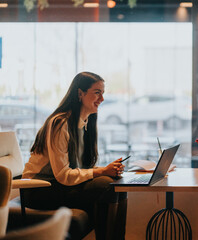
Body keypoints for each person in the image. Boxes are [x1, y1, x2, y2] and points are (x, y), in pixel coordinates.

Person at [22, 72, 127, 240]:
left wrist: (106, 170)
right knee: (107, 185)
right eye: (97, 92)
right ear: (80, 93)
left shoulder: (84, 123)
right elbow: (63, 175)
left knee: (118, 185)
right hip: (37, 190)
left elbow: (78, 168)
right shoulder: (60, 123)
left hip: (57, 185)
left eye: (103, 93)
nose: (102, 99)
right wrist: (101, 172)